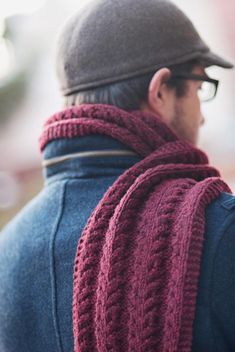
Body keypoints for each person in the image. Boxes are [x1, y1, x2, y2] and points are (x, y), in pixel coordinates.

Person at [0, 0, 234, 351]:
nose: (201, 117)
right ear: (160, 91)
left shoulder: (8, 251)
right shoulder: (220, 229)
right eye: (201, 87)